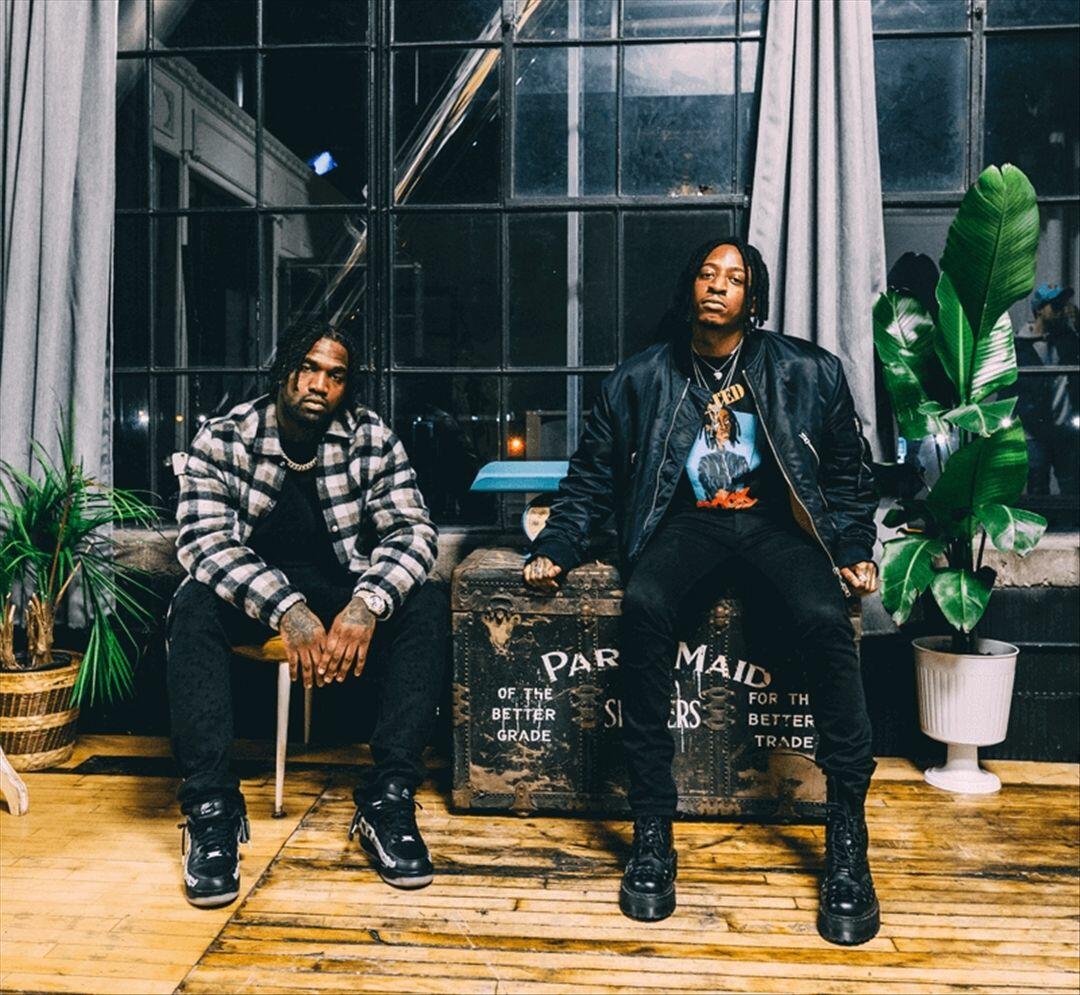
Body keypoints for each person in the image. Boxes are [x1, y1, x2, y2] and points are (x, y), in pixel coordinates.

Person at [522, 237, 881, 946]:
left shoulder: (809, 371)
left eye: (735, 278)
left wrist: (851, 547)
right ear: (690, 288)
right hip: (683, 522)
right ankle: (653, 830)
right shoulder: (638, 379)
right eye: (708, 274)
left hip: (777, 525)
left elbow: (848, 472)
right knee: (645, 604)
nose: (718, 285)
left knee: (824, 616)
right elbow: (590, 478)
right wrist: (557, 547)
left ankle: (847, 834)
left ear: (754, 299)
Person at [168, 320, 448, 907]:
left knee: (425, 601)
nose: (320, 384)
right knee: (193, 603)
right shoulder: (226, 437)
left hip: (342, 590)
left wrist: (368, 602)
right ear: (284, 371)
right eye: (308, 368)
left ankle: (389, 797)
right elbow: (203, 542)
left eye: (336, 375)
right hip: (256, 595)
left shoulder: (371, 438)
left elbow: (413, 532)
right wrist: (285, 607)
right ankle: (211, 809)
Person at [1012, 283, 1079, 501]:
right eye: (1055, 305)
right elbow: (1010, 388)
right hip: (1034, 430)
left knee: (1071, 488)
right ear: (1040, 309)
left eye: (1063, 304)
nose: (1062, 309)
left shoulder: (1068, 340)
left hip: (1065, 428)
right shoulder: (1019, 345)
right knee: (1037, 487)